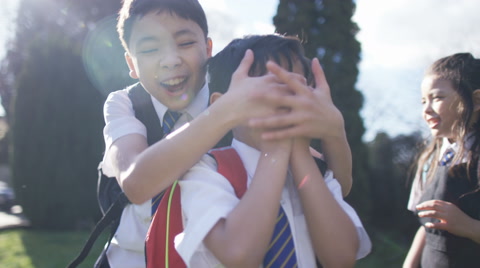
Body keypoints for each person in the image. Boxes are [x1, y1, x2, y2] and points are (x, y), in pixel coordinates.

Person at [102, 0, 354, 267]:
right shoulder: (126, 103)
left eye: (185, 43)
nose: (170, 61)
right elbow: (136, 183)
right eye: (151, 49)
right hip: (131, 259)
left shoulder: (238, 90)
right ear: (131, 62)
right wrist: (226, 111)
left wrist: (334, 131)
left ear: (208, 48)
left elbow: (331, 181)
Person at [174, 34, 371, 267]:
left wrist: (299, 153)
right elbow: (239, 252)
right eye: (269, 87)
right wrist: (275, 152)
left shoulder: (316, 172)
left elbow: (342, 257)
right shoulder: (207, 170)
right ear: (223, 106)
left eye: (298, 87)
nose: (285, 98)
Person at [403, 53, 480, 268]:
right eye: (423, 101)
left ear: (476, 101)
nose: (426, 110)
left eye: (437, 98)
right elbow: (426, 226)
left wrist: (468, 226)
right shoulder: (429, 160)